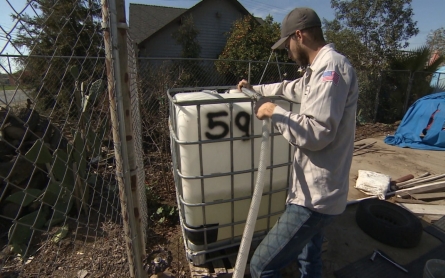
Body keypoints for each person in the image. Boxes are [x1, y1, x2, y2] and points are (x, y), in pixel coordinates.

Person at [237, 7, 358, 278]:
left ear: (299, 35)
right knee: (308, 257)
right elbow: (289, 88)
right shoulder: (317, 70)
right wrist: (254, 89)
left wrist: (273, 112)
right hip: (314, 190)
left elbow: (317, 133)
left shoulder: (331, 68)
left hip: (315, 198)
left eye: (288, 44)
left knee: (261, 266)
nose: (288, 51)